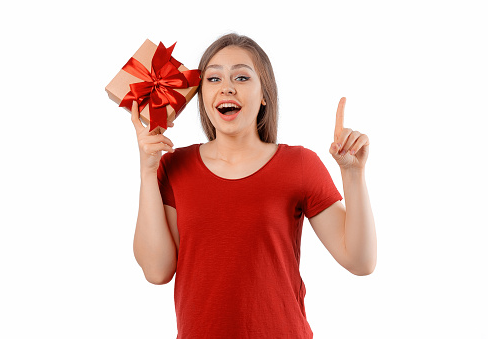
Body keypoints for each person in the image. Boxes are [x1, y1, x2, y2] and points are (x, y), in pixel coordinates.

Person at [131, 33, 377, 338]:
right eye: (214, 78)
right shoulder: (174, 166)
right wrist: (146, 171)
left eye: (242, 76)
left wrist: (353, 174)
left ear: (264, 95)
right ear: (202, 96)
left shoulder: (299, 165)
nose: (227, 87)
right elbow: (157, 271)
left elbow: (360, 261)